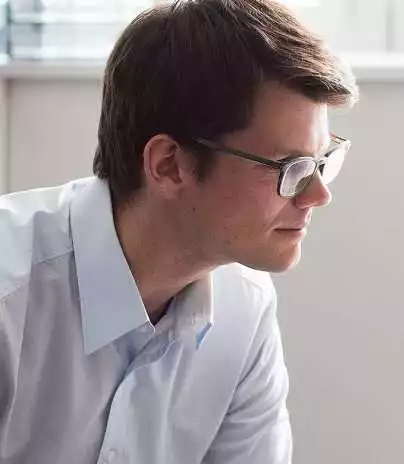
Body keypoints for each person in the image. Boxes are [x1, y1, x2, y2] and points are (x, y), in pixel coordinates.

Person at [0, 0, 357, 462]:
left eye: (322, 163)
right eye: (291, 168)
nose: (316, 195)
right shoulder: (11, 296)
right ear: (169, 165)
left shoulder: (244, 309)